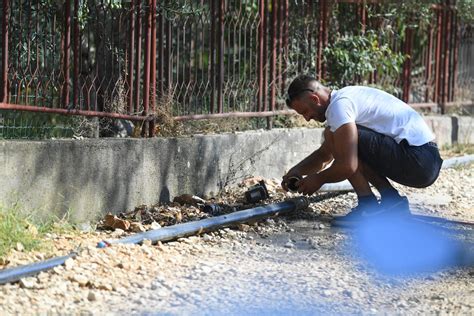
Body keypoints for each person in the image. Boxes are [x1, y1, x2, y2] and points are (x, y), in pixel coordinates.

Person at [282, 74, 443, 224]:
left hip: (419, 159)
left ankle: (368, 205)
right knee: (336, 137)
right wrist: (296, 171)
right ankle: (392, 202)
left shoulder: (340, 106)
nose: (307, 118)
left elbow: (347, 166)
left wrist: (318, 179)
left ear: (314, 98)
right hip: (425, 158)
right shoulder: (343, 100)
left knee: (335, 136)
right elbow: (325, 154)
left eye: (305, 111)